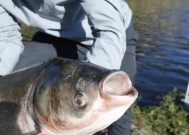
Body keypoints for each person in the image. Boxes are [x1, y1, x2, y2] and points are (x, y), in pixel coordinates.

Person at [0, 0, 138, 134]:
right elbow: (6, 35)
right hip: (53, 34)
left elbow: (109, 28)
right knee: (14, 99)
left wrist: (85, 92)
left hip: (112, 31)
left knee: (117, 105)